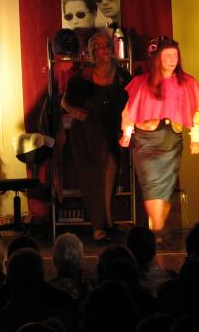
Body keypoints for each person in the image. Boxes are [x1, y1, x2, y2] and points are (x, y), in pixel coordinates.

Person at [120, 35, 199, 236]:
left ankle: (157, 227)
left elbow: (196, 112)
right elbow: (130, 111)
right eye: (167, 56)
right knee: (151, 184)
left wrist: (196, 138)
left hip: (171, 141)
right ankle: (157, 229)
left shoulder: (186, 83)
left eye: (175, 55)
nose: (172, 60)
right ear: (158, 59)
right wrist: (127, 132)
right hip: (146, 140)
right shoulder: (142, 82)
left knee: (165, 188)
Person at [61, 30, 131, 242]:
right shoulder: (82, 77)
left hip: (111, 131)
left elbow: (133, 100)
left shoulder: (121, 76)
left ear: (112, 48)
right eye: (97, 47)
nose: (103, 50)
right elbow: (65, 102)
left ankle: (108, 223)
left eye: (105, 45)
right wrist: (75, 112)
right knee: (91, 178)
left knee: (110, 175)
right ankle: (98, 227)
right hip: (86, 133)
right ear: (91, 52)